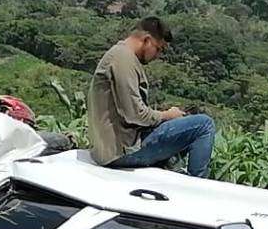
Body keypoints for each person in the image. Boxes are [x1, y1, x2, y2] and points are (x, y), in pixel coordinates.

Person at [86, 16, 216, 178]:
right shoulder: (123, 59)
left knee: (179, 124)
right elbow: (134, 115)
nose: (158, 55)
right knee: (204, 125)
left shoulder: (120, 56)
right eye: (159, 49)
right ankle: (199, 185)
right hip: (120, 151)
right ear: (147, 40)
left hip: (112, 147)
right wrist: (166, 115)